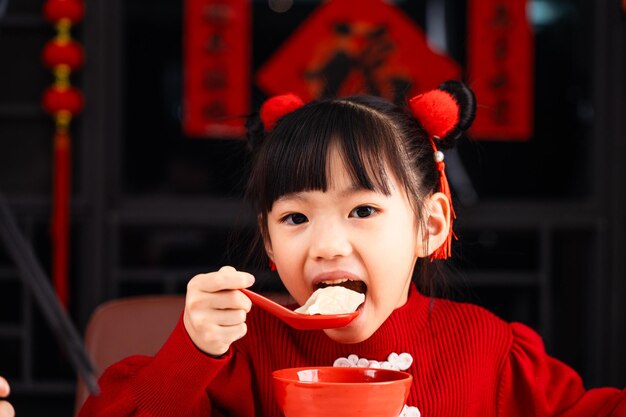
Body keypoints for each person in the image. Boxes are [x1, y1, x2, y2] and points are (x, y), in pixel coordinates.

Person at [79, 81, 626, 417]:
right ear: (269, 244)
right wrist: (193, 350)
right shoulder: (240, 357)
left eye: (362, 211)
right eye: (295, 218)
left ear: (429, 227)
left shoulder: (490, 352)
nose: (326, 244)